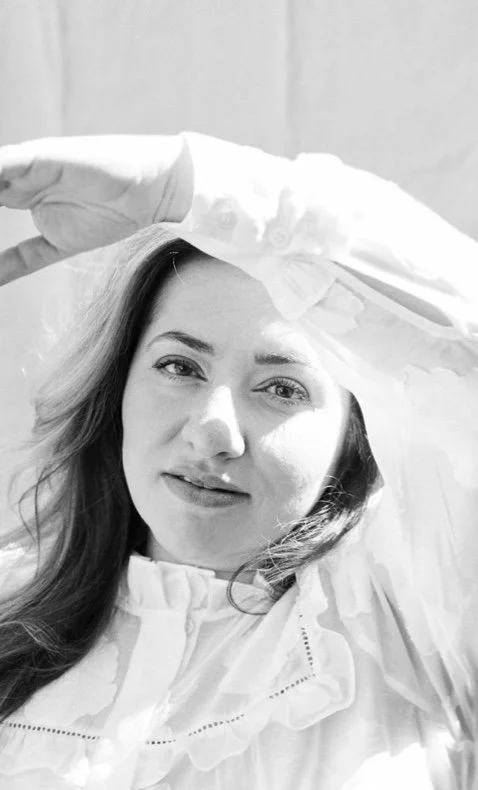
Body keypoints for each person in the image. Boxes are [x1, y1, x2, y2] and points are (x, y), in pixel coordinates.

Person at [0, 133, 477, 789]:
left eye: (282, 388)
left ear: (351, 434)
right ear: (118, 390)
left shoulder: (410, 608)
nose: (212, 431)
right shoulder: (9, 605)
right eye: (179, 366)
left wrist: (186, 187)